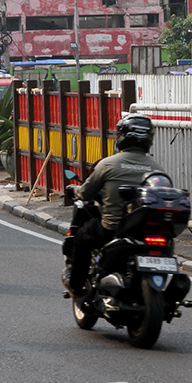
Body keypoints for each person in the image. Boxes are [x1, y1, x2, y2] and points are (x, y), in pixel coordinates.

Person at [64, 113, 163, 298]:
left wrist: (73, 190)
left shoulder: (108, 164)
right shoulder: (157, 168)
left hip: (112, 229)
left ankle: (76, 287)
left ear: (122, 137)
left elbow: (86, 193)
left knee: (81, 239)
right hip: (146, 232)